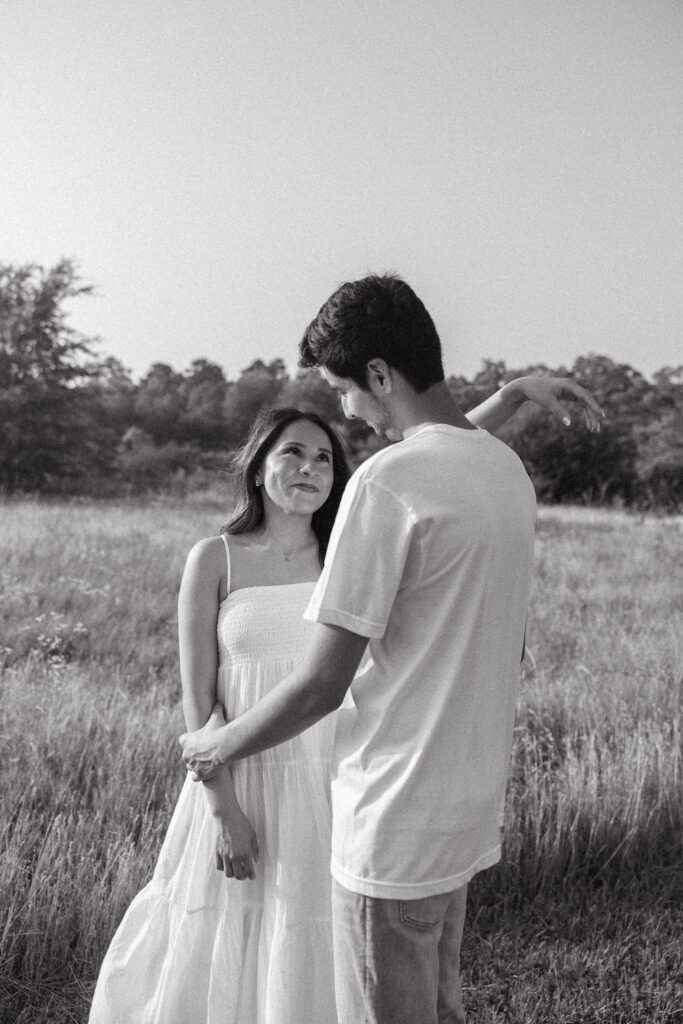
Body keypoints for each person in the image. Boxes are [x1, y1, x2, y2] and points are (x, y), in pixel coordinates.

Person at [92, 344, 601, 1022]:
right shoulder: (213, 558)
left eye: (323, 458)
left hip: (332, 775)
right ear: (257, 466)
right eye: (291, 454)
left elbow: (430, 461)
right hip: (239, 778)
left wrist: (509, 397)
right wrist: (223, 809)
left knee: (326, 943)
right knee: (231, 936)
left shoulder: (347, 544)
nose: (309, 469)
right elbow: (200, 702)